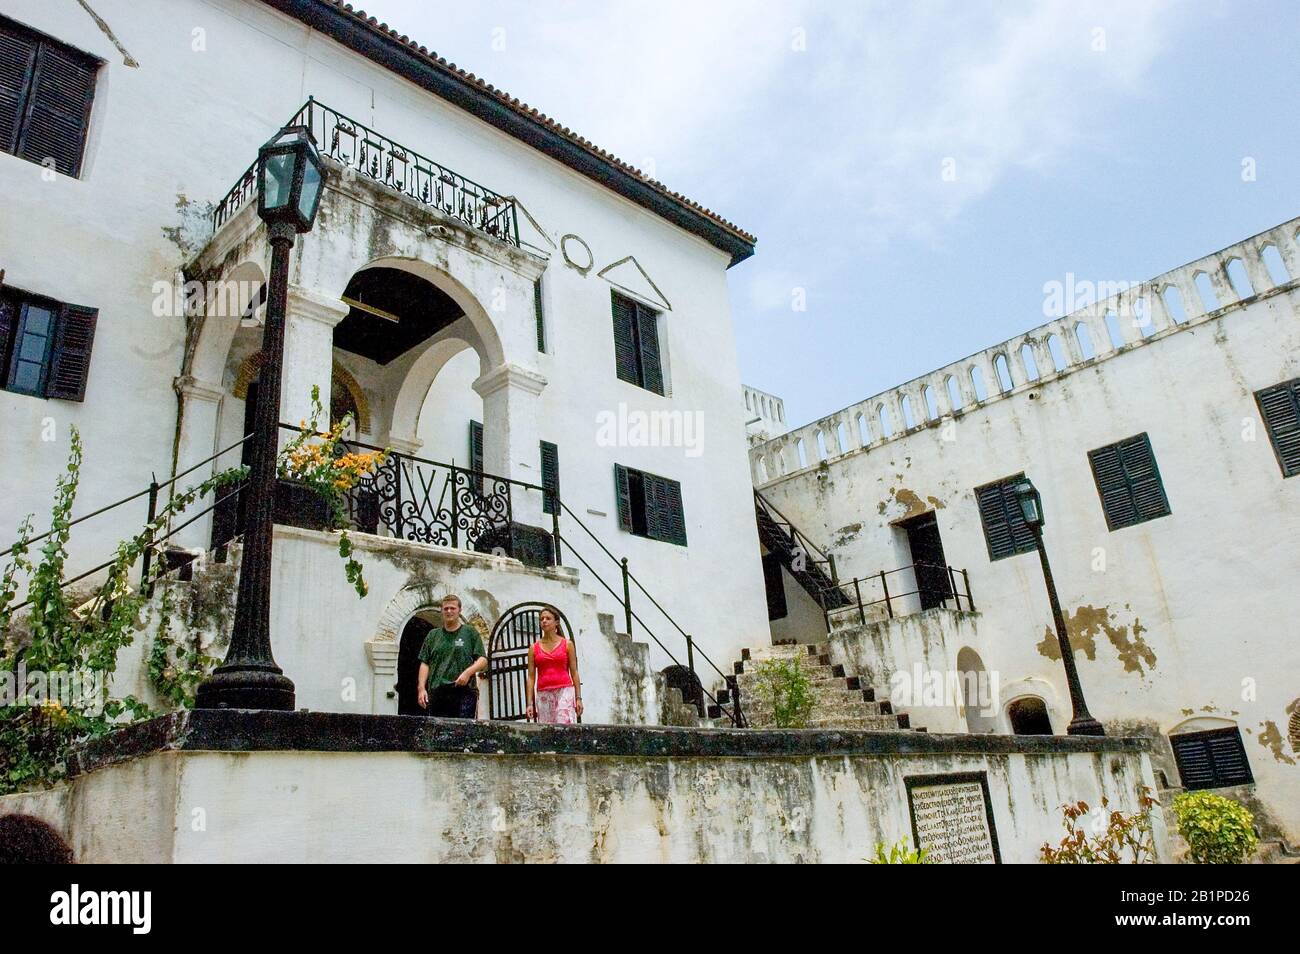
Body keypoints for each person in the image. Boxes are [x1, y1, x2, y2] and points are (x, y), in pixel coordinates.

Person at [417, 595, 487, 718]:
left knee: (462, 732)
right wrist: (421, 688)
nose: (449, 611)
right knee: (439, 733)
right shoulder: (433, 635)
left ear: (459, 610)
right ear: (441, 611)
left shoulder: (470, 632)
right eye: (446, 608)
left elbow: (482, 660)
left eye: (453, 608)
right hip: (438, 692)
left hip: (464, 692)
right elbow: (425, 663)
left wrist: (468, 673)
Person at [525, 605, 582, 724]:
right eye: (541, 619)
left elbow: (574, 672)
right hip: (543, 693)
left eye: (548, 618)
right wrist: (529, 703)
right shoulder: (533, 648)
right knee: (547, 730)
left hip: (564, 690)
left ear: (556, 622)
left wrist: (578, 698)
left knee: (564, 724)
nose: (544, 621)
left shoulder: (567, 644)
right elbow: (531, 677)